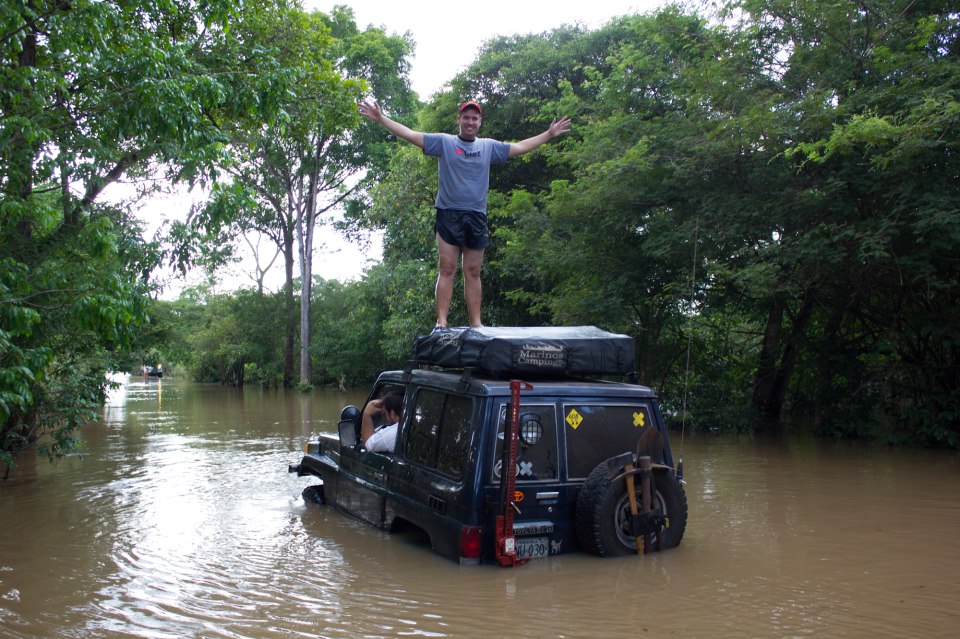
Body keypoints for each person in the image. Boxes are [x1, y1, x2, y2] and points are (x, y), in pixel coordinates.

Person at [358, 98, 571, 330]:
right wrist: (381, 118)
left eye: (475, 118)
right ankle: (441, 322)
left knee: (473, 271)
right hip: (449, 214)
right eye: (466, 117)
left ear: (480, 122)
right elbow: (411, 134)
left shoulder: (488, 146)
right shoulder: (444, 142)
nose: (470, 122)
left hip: (476, 216)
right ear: (459, 119)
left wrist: (549, 134)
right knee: (447, 268)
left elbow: (519, 147)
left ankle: (476, 324)